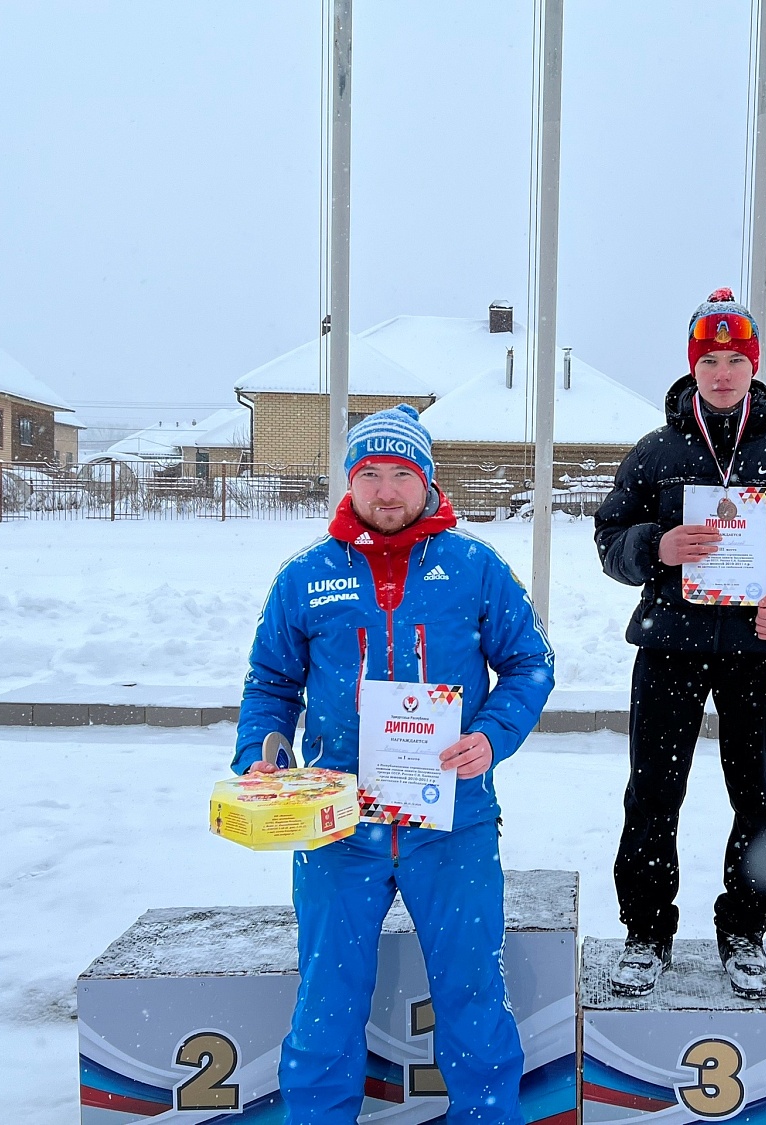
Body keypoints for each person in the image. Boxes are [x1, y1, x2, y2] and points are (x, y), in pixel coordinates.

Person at [232, 404, 555, 1125]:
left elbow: (530, 664)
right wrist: (262, 753)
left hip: (454, 822)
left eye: (401, 473)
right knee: (326, 998)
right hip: (338, 824)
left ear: (427, 480)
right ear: (349, 481)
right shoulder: (306, 576)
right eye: (370, 473)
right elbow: (271, 684)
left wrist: (492, 736)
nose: (385, 490)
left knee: (473, 993)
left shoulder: (474, 568)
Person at [594, 287, 766, 999]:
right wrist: (657, 545)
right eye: (710, 359)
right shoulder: (656, 452)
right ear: (692, 366)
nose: (723, 373)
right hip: (670, 645)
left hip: (756, 652)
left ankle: (745, 927)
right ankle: (647, 930)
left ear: (754, 365)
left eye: (736, 359)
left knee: (758, 793)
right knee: (653, 791)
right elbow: (609, 538)